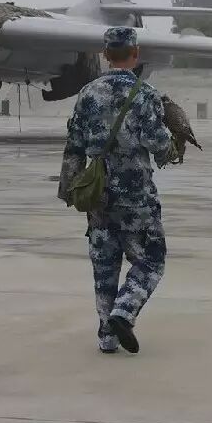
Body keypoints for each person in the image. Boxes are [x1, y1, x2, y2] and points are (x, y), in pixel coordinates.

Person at [58, 27, 177, 353]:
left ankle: (107, 337)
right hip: (136, 196)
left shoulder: (88, 93)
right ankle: (124, 311)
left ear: (105, 54)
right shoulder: (145, 94)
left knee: (104, 266)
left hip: (98, 195)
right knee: (151, 259)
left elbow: (74, 145)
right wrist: (173, 147)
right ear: (135, 54)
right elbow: (159, 144)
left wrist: (70, 189)